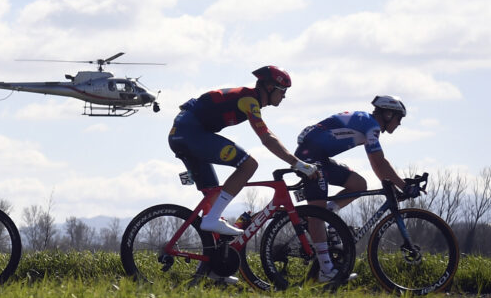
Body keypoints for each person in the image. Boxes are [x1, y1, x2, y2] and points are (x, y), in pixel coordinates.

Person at [168, 66, 318, 240]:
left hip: (182, 134)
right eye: (283, 90)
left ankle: (214, 252)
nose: (284, 96)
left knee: (214, 193)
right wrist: (298, 163)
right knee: (249, 164)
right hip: (191, 133)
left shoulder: (248, 98)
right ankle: (212, 220)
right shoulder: (249, 100)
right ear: (269, 88)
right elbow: (267, 138)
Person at [294, 95, 411, 281]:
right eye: (399, 118)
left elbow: (376, 163)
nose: (399, 124)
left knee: (358, 184)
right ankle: (326, 271)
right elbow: (379, 162)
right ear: (388, 114)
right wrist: (403, 185)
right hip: (310, 157)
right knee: (317, 212)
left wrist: (391, 185)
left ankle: (329, 217)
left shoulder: (367, 123)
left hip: (319, 157)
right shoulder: (371, 125)